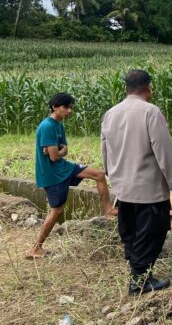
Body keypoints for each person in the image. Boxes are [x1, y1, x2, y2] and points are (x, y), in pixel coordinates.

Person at [101, 69, 172, 295]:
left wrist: (113, 174)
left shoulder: (111, 113)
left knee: (131, 233)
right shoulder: (150, 112)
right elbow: (163, 150)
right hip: (148, 189)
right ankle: (139, 282)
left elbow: (105, 150)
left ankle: (141, 275)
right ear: (148, 87)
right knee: (150, 235)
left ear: (125, 89)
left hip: (123, 189)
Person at [27, 93, 117, 259]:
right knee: (57, 210)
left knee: (99, 174)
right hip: (53, 174)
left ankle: (108, 209)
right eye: (66, 107)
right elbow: (54, 156)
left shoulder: (59, 124)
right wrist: (59, 151)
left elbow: (63, 150)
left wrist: (59, 151)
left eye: (71, 108)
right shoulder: (47, 127)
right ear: (55, 107)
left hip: (64, 167)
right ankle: (35, 248)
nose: (69, 111)